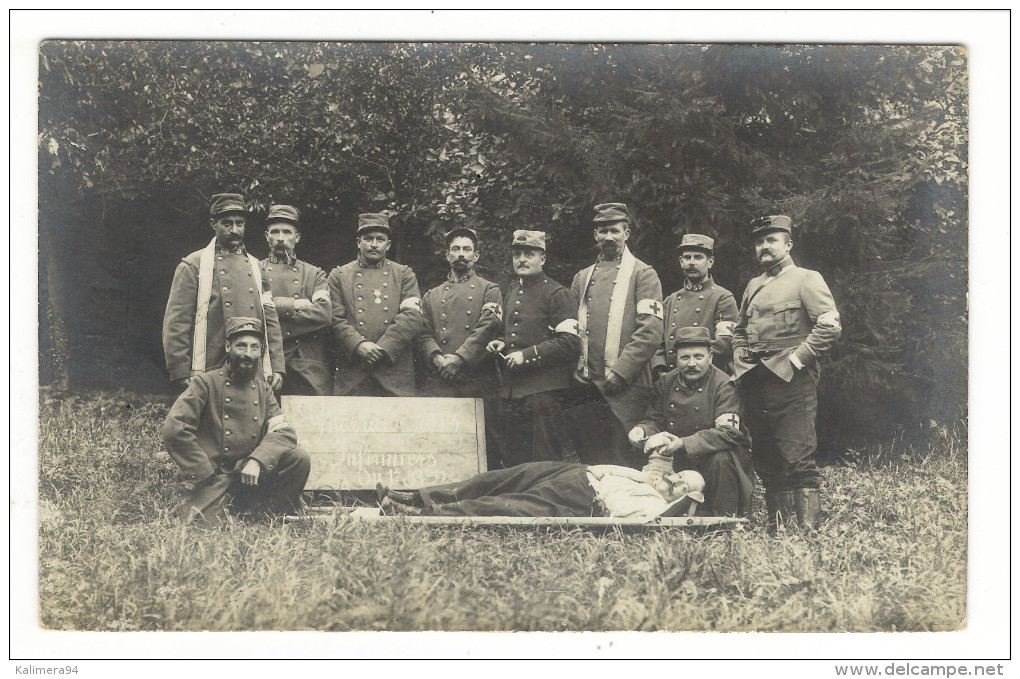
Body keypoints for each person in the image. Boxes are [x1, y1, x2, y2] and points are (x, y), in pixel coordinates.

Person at [731, 215, 842, 532]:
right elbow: (740, 332)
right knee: (767, 455)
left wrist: (796, 361)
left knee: (798, 455)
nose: (764, 247)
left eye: (771, 240)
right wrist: (741, 362)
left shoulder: (807, 278)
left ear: (788, 244)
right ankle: (777, 529)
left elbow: (829, 326)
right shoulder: (754, 286)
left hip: (793, 381)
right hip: (755, 380)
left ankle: (808, 534)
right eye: (759, 242)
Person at [163, 317, 310, 524]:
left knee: (298, 458)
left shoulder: (263, 389)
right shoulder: (205, 383)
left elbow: (282, 431)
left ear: (260, 352)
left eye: (254, 347)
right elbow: (175, 428)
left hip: (249, 476)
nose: (247, 354)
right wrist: (204, 472)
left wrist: (257, 460)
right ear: (227, 347)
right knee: (205, 528)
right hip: (214, 478)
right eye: (241, 346)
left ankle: (262, 514)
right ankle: (232, 511)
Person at [569, 203, 663, 467]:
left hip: (626, 385)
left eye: (614, 231)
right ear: (595, 235)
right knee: (593, 460)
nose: (608, 237)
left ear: (627, 233)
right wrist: (575, 367)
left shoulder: (643, 274)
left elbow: (651, 330)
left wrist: (622, 371)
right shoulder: (582, 277)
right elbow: (571, 328)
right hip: (588, 386)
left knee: (625, 460)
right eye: (602, 231)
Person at [163, 192, 285, 394]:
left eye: (240, 223)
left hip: (251, 366)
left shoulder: (256, 266)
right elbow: (177, 323)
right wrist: (180, 372)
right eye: (227, 224)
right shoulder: (193, 266)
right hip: (210, 365)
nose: (235, 230)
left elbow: (270, 319)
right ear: (213, 223)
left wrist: (278, 367)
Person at [628, 326, 754, 517]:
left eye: (698, 356)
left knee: (721, 459)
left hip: (717, 461)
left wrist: (683, 443)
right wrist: (641, 431)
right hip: (678, 461)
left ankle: (724, 519)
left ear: (710, 357)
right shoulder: (666, 382)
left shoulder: (725, 385)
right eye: (685, 358)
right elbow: (655, 420)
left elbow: (729, 432)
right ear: (676, 359)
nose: (691, 364)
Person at [485, 230, 580, 467]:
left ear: (543, 259)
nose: (522, 259)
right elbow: (519, 333)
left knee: (543, 461)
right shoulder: (513, 292)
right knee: (516, 459)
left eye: (529, 254)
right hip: (514, 393)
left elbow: (570, 342)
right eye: (517, 254)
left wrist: (526, 356)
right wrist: (503, 342)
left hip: (545, 395)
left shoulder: (557, 293)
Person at [416, 226, 505, 468]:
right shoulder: (431, 296)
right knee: (438, 442)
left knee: (487, 447)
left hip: (478, 378)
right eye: (455, 249)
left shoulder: (490, 289)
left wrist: (460, 358)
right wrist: (437, 358)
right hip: (441, 379)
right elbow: (423, 333)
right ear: (447, 256)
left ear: (476, 256)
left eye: (467, 249)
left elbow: (488, 326)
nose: (461, 254)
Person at [377, 462, 704, 519]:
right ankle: (419, 495)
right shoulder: (647, 479)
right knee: (502, 478)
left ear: (683, 497)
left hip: (580, 499)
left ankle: (424, 513)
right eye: (678, 476)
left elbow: (615, 508)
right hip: (577, 473)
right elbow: (611, 469)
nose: (674, 482)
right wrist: (599, 470)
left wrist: (602, 479)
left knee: (506, 504)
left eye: (681, 487)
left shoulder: (655, 508)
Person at [328, 213, 423, 396]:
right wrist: (358, 345)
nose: (374, 244)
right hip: (354, 371)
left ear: (388, 245)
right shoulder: (339, 275)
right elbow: (334, 318)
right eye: (368, 238)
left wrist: (384, 348)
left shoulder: (404, 274)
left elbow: (412, 316)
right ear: (358, 242)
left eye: (380, 239)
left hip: (393, 371)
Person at [260, 204, 333, 396]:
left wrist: (272, 309)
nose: (281, 238)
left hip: (306, 362)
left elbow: (323, 314)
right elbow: (251, 311)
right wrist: (293, 304)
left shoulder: (314, 273)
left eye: (287, 232)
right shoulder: (254, 270)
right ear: (266, 236)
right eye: (275, 232)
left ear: (297, 238)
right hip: (267, 359)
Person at [651, 234, 738, 378]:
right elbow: (657, 341)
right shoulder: (671, 300)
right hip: (670, 379)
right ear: (681, 262)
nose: (691, 262)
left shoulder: (723, 298)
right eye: (687, 258)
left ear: (710, 262)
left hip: (707, 378)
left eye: (698, 257)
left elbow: (725, 344)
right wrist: (659, 368)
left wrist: (690, 364)